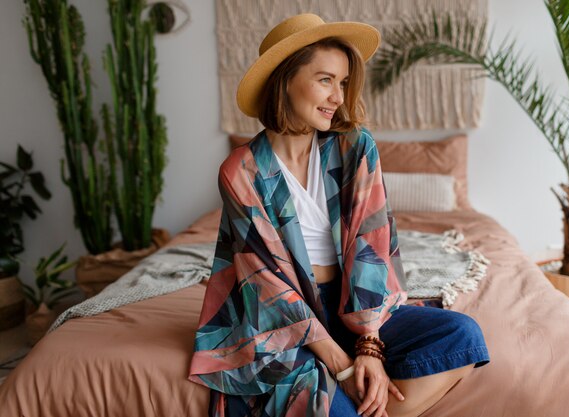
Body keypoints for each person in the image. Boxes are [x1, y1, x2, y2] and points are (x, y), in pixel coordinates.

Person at [189, 13, 490, 417]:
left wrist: (368, 345)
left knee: (462, 336)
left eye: (343, 83)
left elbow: (371, 243)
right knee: (322, 401)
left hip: (355, 305)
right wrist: (340, 363)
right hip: (284, 321)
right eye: (326, 80)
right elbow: (265, 283)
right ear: (284, 79)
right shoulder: (241, 171)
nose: (338, 98)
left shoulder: (353, 146)